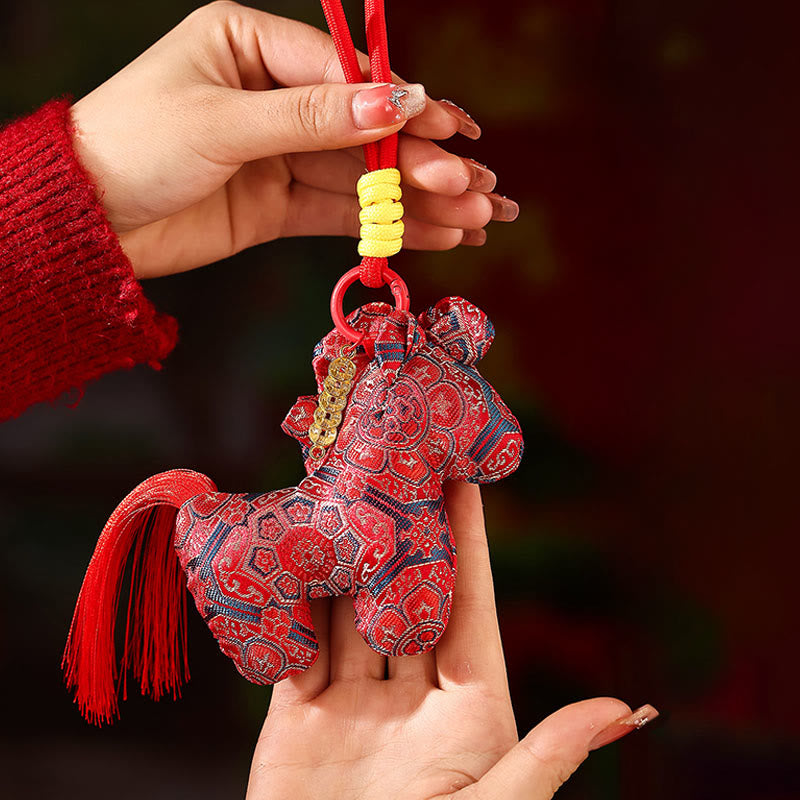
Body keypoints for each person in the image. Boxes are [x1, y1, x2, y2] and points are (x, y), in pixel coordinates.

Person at [0, 3, 658, 797]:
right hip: (326, 540)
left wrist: (68, 205)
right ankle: (257, 613)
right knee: (348, 615)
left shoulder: (394, 396)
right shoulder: (395, 419)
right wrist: (73, 198)